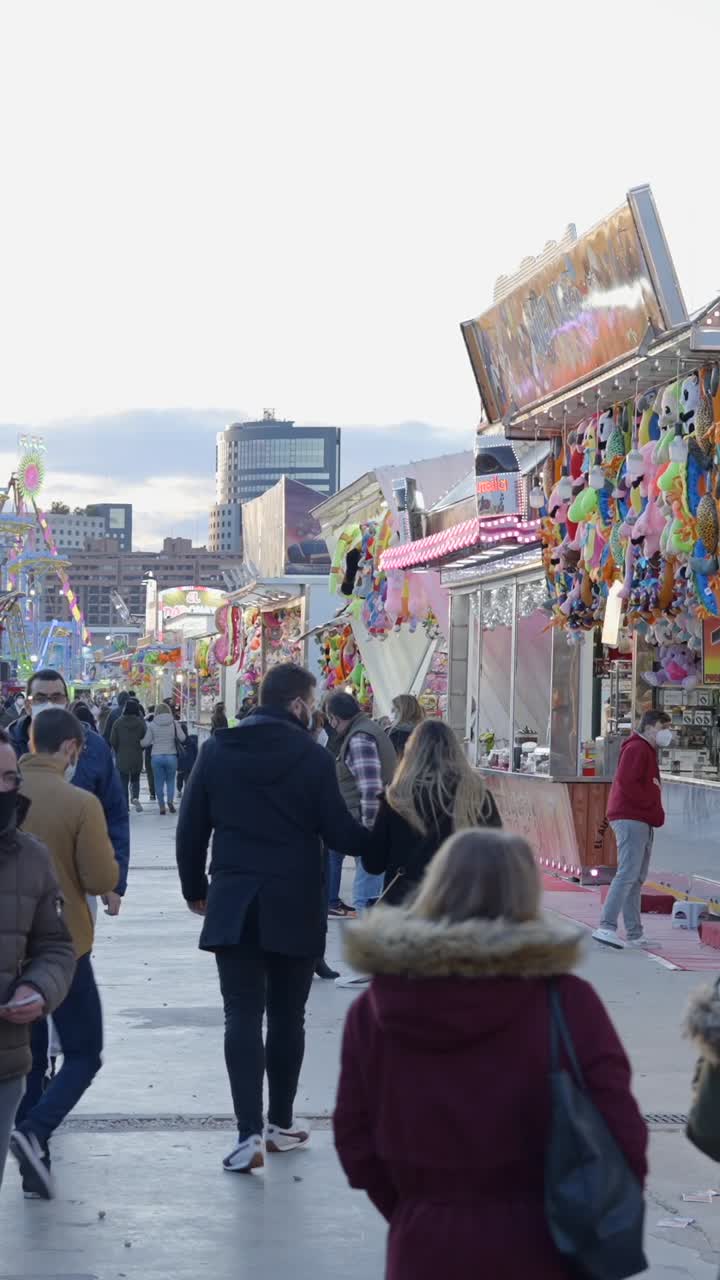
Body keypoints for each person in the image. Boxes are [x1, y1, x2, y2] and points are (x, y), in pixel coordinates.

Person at [334, 829, 648, 1280]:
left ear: (435, 887)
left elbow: (354, 1140)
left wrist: (416, 1210)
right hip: (545, 1246)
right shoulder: (566, 1003)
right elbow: (622, 1134)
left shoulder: (376, 1009)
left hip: (423, 1246)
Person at [176, 662, 371, 1174]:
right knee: (288, 1016)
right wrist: (389, 835)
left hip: (235, 900)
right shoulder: (312, 756)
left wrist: (195, 889)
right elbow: (340, 833)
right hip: (295, 903)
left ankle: (247, 1135)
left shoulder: (218, 748)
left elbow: (191, 825)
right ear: (299, 705)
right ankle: (278, 1124)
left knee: (240, 1013)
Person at [11, 709, 119, 1199]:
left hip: (9, 946)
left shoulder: (13, 794)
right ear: (72, 747)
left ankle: (36, 1161)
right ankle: (36, 1130)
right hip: (65, 945)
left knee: (30, 1058)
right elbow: (100, 879)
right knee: (83, 1051)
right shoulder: (80, 803)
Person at [0, 728, 75, 1190]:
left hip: (6, 1061)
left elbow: (56, 945)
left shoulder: (31, 857)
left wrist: (39, 986)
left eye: (9, 778)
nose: (3, 790)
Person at [10, 670, 129, 915]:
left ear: (67, 700)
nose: (49, 704)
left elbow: (114, 814)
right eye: (41, 698)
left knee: (75, 948)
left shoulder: (93, 746)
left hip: (77, 883)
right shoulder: (8, 745)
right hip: (17, 883)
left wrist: (114, 883)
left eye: (56, 697)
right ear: (28, 703)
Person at [363, 719, 502, 905]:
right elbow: (497, 856)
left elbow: (373, 864)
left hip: (405, 906)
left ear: (411, 752)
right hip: (462, 904)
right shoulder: (477, 796)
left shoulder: (396, 799)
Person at [592, 707, 672, 951]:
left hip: (640, 818)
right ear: (649, 727)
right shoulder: (637, 748)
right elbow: (627, 782)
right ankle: (606, 925)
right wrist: (650, 805)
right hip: (632, 818)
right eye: (663, 728)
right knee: (628, 874)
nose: (667, 733)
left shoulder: (645, 749)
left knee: (635, 877)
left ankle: (635, 933)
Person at [325, 692, 397, 912]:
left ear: (334, 717)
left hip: (365, 825)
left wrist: (370, 831)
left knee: (366, 896)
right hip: (364, 820)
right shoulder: (364, 731)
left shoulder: (359, 738)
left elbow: (371, 788)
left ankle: (366, 941)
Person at [142, 701, 185, 814]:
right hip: (171, 756)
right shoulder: (174, 723)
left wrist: (139, 742)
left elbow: (146, 742)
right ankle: (170, 801)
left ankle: (161, 806)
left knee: (158, 782)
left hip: (156, 757)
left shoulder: (152, 724)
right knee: (171, 781)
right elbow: (182, 738)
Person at [110, 698, 147, 813]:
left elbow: (113, 740)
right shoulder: (140, 723)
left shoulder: (118, 723)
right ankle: (135, 797)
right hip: (136, 756)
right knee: (135, 779)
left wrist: (117, 750)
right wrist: (141, 748)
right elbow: (145, 738)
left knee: (123, 781)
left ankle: (125, 805)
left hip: (122, 756)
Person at [387, 693, 425, 759]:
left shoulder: (395, 733)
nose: (392, 713)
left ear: (402, 711)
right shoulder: (427, 731)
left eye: (394, 709)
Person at [143, 705, 156, 801]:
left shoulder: (145, 721)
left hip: (148, 748)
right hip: (159, 748)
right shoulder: (159, 721)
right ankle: (158, 790)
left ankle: (152, 793)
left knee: (150, 772)